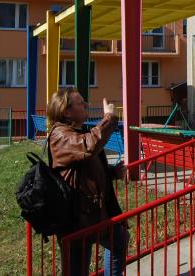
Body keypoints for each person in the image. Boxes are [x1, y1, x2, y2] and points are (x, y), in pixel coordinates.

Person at [47, 88, 128, 276]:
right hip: (76, 218)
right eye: (81, 103)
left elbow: (85, 166)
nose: (86, 105)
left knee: (119, 239)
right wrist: (109, 118)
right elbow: (88, 146)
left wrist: (112, 172)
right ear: (67, 111)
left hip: (93, 213)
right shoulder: (60, 136)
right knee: (77, 269)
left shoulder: (77, 131)